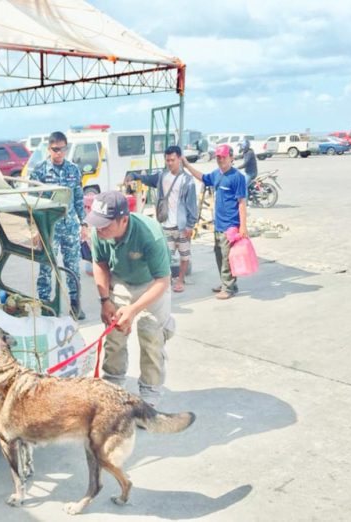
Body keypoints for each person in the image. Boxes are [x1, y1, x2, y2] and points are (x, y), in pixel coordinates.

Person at [85, 191, 174, 406]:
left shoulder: (150, 235)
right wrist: (105, 299)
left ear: (124, 219)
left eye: (105, 224)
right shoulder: (100, 232)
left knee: (150, 335)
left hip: (151, 284)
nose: (99, 229)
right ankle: (113, 385)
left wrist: (133, 310)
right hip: (121, 281)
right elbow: (100, 264)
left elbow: (163, 280)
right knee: (114, 333)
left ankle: (150, 394)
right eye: (97, 224)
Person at [29, 131, 87, 319]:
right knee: (46, 267)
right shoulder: (40, 171)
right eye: (55, 149)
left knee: (73, 268)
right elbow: (31, 203)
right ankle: (46, 305)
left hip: (70, 227)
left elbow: (79, 198)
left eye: (62, 149)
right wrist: (34, 229)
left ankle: (75, 305)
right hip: (48, 228)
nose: (59, 153)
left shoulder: (73, 170)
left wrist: (84, 223)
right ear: (49, 149)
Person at [127, 145, 197, 293]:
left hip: (182, 226)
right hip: (165, 225)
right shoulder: (162, 177)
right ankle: (168, 280)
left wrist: (190, 225)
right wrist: (133, 175)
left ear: (179, 159)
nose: (169, 163)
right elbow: (146, 178)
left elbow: (192, 204)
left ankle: (180, 280)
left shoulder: (187, 180)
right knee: (166, 256)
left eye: (172, 160)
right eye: (167, 160)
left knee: (185, 256)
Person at [182, 144, 247, 300]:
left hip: (230, 225)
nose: (220, 160)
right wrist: (187, 165)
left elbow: (242, 203)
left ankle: (229, 288)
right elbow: (202, 178)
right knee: (219, 255)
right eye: (218, 157)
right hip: (218, 224)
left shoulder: (238, 177)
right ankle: (227, 283)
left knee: (226, 257)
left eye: (223, 157)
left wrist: (243, 227)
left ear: (231, 158)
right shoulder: (217, 175)